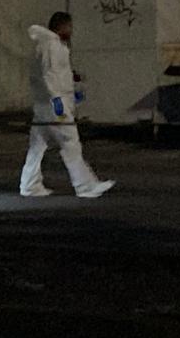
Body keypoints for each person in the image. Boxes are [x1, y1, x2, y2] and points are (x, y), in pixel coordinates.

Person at [19, 12, 115, 198]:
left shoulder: (45, 45)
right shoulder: (52, 46)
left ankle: (29, 185)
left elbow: (51, 74)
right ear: (61, 26)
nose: (71, 30)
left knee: (38, 146)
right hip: (55, 106)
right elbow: (50, 75)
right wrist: (58, 102)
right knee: (70, 143)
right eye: (69, 26)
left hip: (43, 106)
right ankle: (85, 186)